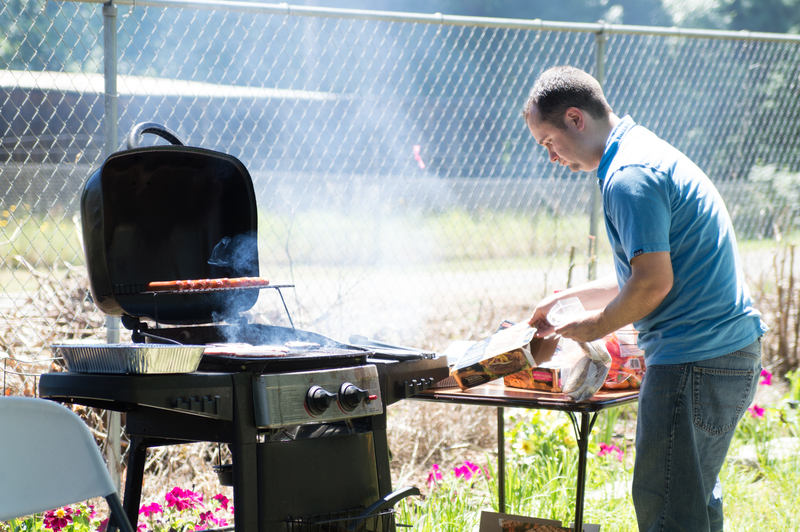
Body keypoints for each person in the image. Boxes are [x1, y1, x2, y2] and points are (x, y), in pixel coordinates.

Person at [521, 65, 768, 532]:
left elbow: (653, 285)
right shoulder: (640, 152)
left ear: (575, 118)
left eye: (547, 141)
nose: (550, 157)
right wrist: (565, 301)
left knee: (669, 513)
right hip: (724, 354)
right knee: (691, 502)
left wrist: (593, 328)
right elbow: (643, 274)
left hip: (695, 360)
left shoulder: (628, 176)